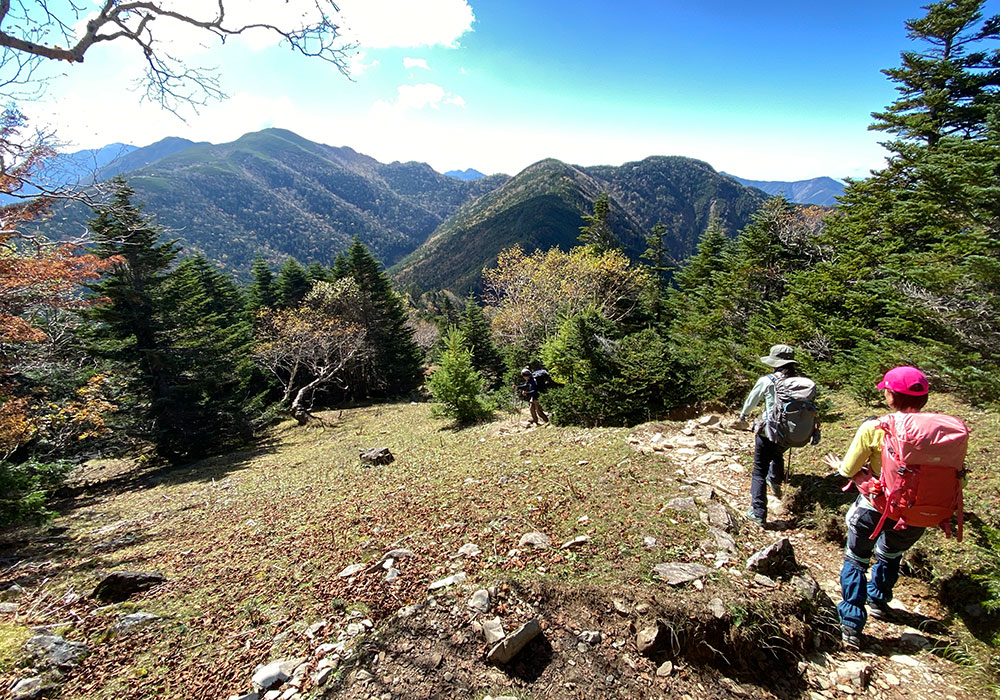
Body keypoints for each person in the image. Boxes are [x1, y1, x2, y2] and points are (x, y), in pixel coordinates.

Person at [822, 366, 933, 651]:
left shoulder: (875, 427)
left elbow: (849, 469)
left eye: (886, 389)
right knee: (891, 552)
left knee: (856, 559)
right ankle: (879, 600)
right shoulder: (939, 433)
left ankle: (851, 623)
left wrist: (840, 468)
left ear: (891, 396)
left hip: (875, 506)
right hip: (916, 513)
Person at [738, 344, 799, 526]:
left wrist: (743, 416)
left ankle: (758, 512)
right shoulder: (799, 381)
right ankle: (775, 480)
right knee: (777, 453)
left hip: (768, 430)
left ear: (775, 363)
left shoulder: (768, 380)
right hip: (790, 430)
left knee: (758, 471)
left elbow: (751, 401)